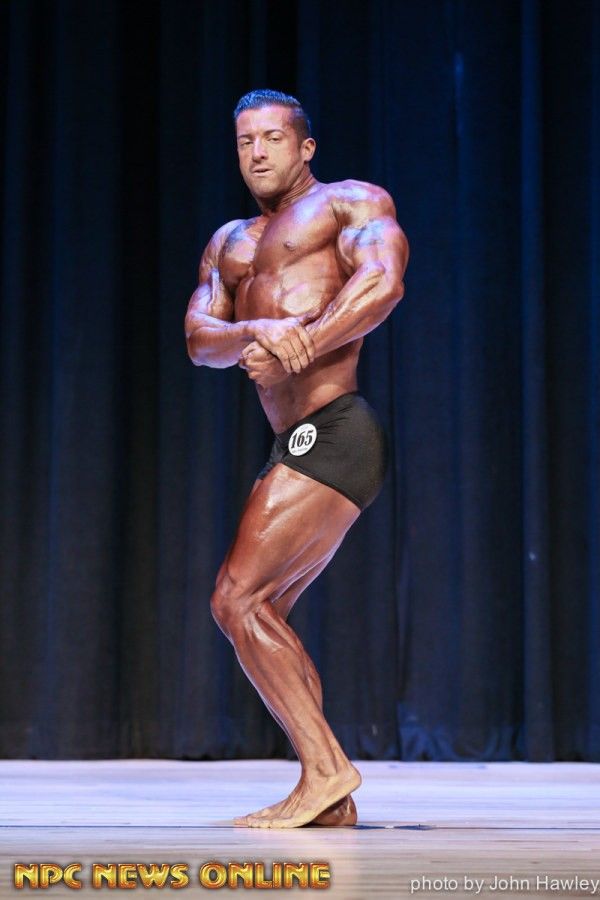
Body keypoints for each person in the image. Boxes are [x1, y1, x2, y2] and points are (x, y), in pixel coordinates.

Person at [185, 89, 409, 829]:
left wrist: (302, 343)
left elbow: (383, 283)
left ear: (305, 147)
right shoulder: (229, 243)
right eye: (244, 141)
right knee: (265, 614)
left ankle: (325, 770)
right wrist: (256, 330)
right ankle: (331, 798)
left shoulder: (348, 204)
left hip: (335, 428)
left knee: (236, 599)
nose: (256, 152)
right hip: (299, 440)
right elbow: (199, 339)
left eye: (272, 138)